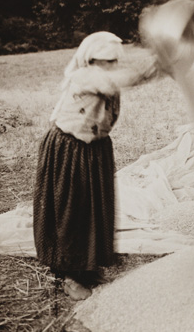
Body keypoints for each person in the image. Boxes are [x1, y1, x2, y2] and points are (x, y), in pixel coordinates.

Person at [33, 31, 160, 300]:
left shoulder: (103, 75)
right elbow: (121, 80)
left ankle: (87, 266)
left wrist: (162, 64)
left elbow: (119, 81)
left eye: (114, 61)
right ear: (92, 59)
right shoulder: (86, 75)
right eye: (108, 61)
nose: (112, 66)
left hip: (94, 148)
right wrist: (160, 64)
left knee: (94, 208)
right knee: (73, 210)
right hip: (70, 148)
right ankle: (69, 275)